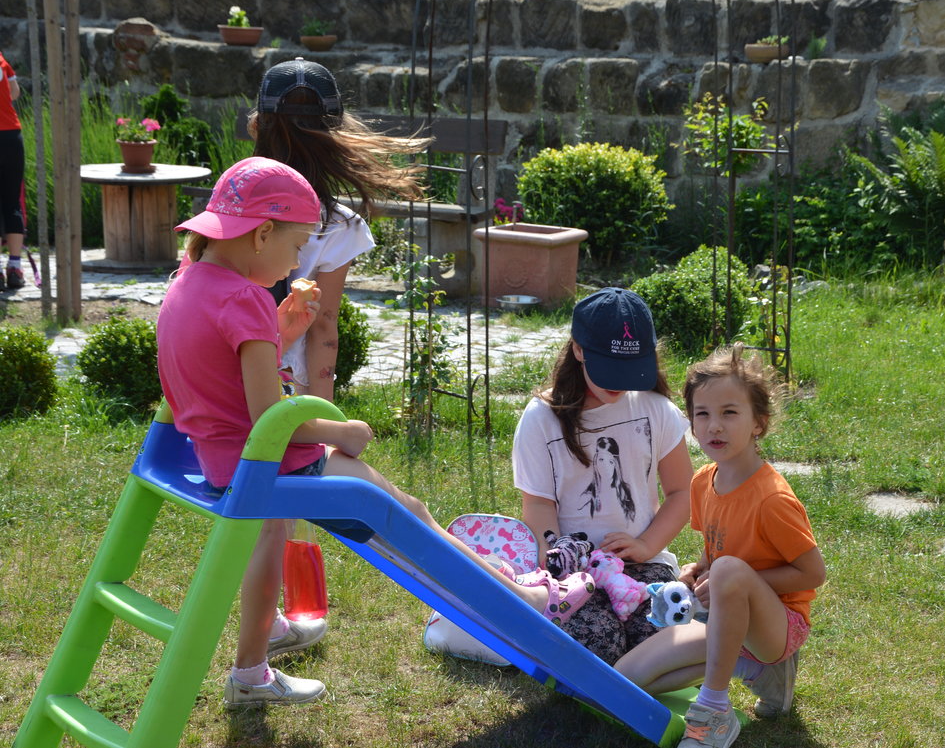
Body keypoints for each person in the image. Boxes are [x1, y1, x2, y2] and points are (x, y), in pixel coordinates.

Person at [157, 157, 596, 706]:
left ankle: (261, 649)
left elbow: (220, 374)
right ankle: (523, 602)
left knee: (273, 540)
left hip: (221, 458)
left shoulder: (187, 281)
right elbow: (270, 419)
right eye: (297, 246)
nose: (295, 263)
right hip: (269, 460)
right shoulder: (244, 298)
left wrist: (280, 333)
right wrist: (340, 432)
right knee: (410, 516)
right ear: (262, 234)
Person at [614, 345, 825, 748]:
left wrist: (731, 578)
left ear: (758, 423)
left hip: (777, 626)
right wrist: (699, 569)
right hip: (723, 619)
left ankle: (714, 713)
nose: (714, 426)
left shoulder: (772, 499)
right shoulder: (702, 482)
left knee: (728, 569)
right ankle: (758, 672)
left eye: (729, 413)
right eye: (703, 414)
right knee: (625, 680)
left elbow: (813, 573)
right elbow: (717, 547)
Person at [512, 287, 694, 665]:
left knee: (661, 634)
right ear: (578, 350)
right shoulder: (541, 418)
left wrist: (645, 545)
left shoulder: (657, 409)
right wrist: (560, 565)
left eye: (630, 370)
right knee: (597, 643)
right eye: (609, 369)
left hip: (645, 563)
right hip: (572, 572)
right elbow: (539, 505)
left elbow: (682, 492)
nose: (619, 382)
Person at [250, 57, 428, 399]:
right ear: (336, 132)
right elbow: (323, 326)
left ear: (257, 126)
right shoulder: (340, 225)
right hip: (288, 385)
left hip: (219, 372)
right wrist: (323, 412)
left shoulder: (230, 205)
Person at [0, 49, 25, 291]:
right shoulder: (1, 60)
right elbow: (14, 92)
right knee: (12, 201)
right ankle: (15, 267)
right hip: (10, 135)